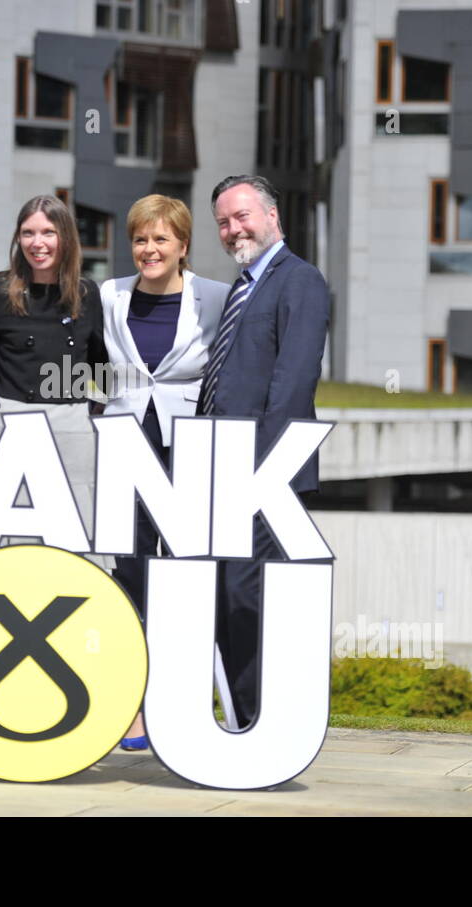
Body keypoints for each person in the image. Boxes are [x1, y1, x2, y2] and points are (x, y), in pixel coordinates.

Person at [201, 174, 329, 731]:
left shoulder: (299, 281)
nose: (233, 230)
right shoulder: (243, 286)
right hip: (223, 469)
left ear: (273, 217)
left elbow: (293, 384)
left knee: (246, 596)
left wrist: (263, 474)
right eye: (224, 222)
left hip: (264, 475)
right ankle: (239, 716)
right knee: (224, 596)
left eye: (242, 216)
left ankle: (260, 721)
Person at [100, 194, 227, 749]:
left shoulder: (217, 298)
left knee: (185, 576)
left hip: (188, 449)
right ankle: (131, 708)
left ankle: (185, 704)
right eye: (140, 239)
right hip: (126, 445)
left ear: (182, 245)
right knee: (128, 573)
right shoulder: (109, 296)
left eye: (161, 239)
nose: (149, 249)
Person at [0, 195, 106, 546]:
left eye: (48, 232)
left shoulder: (88, 294)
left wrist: (90, 411)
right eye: (28, 233)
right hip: (11, 424)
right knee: (6, 540)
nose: (37, 243)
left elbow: (100, 369)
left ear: (66, 237)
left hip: (72, 428)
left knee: (75, 538)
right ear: (18, 238)